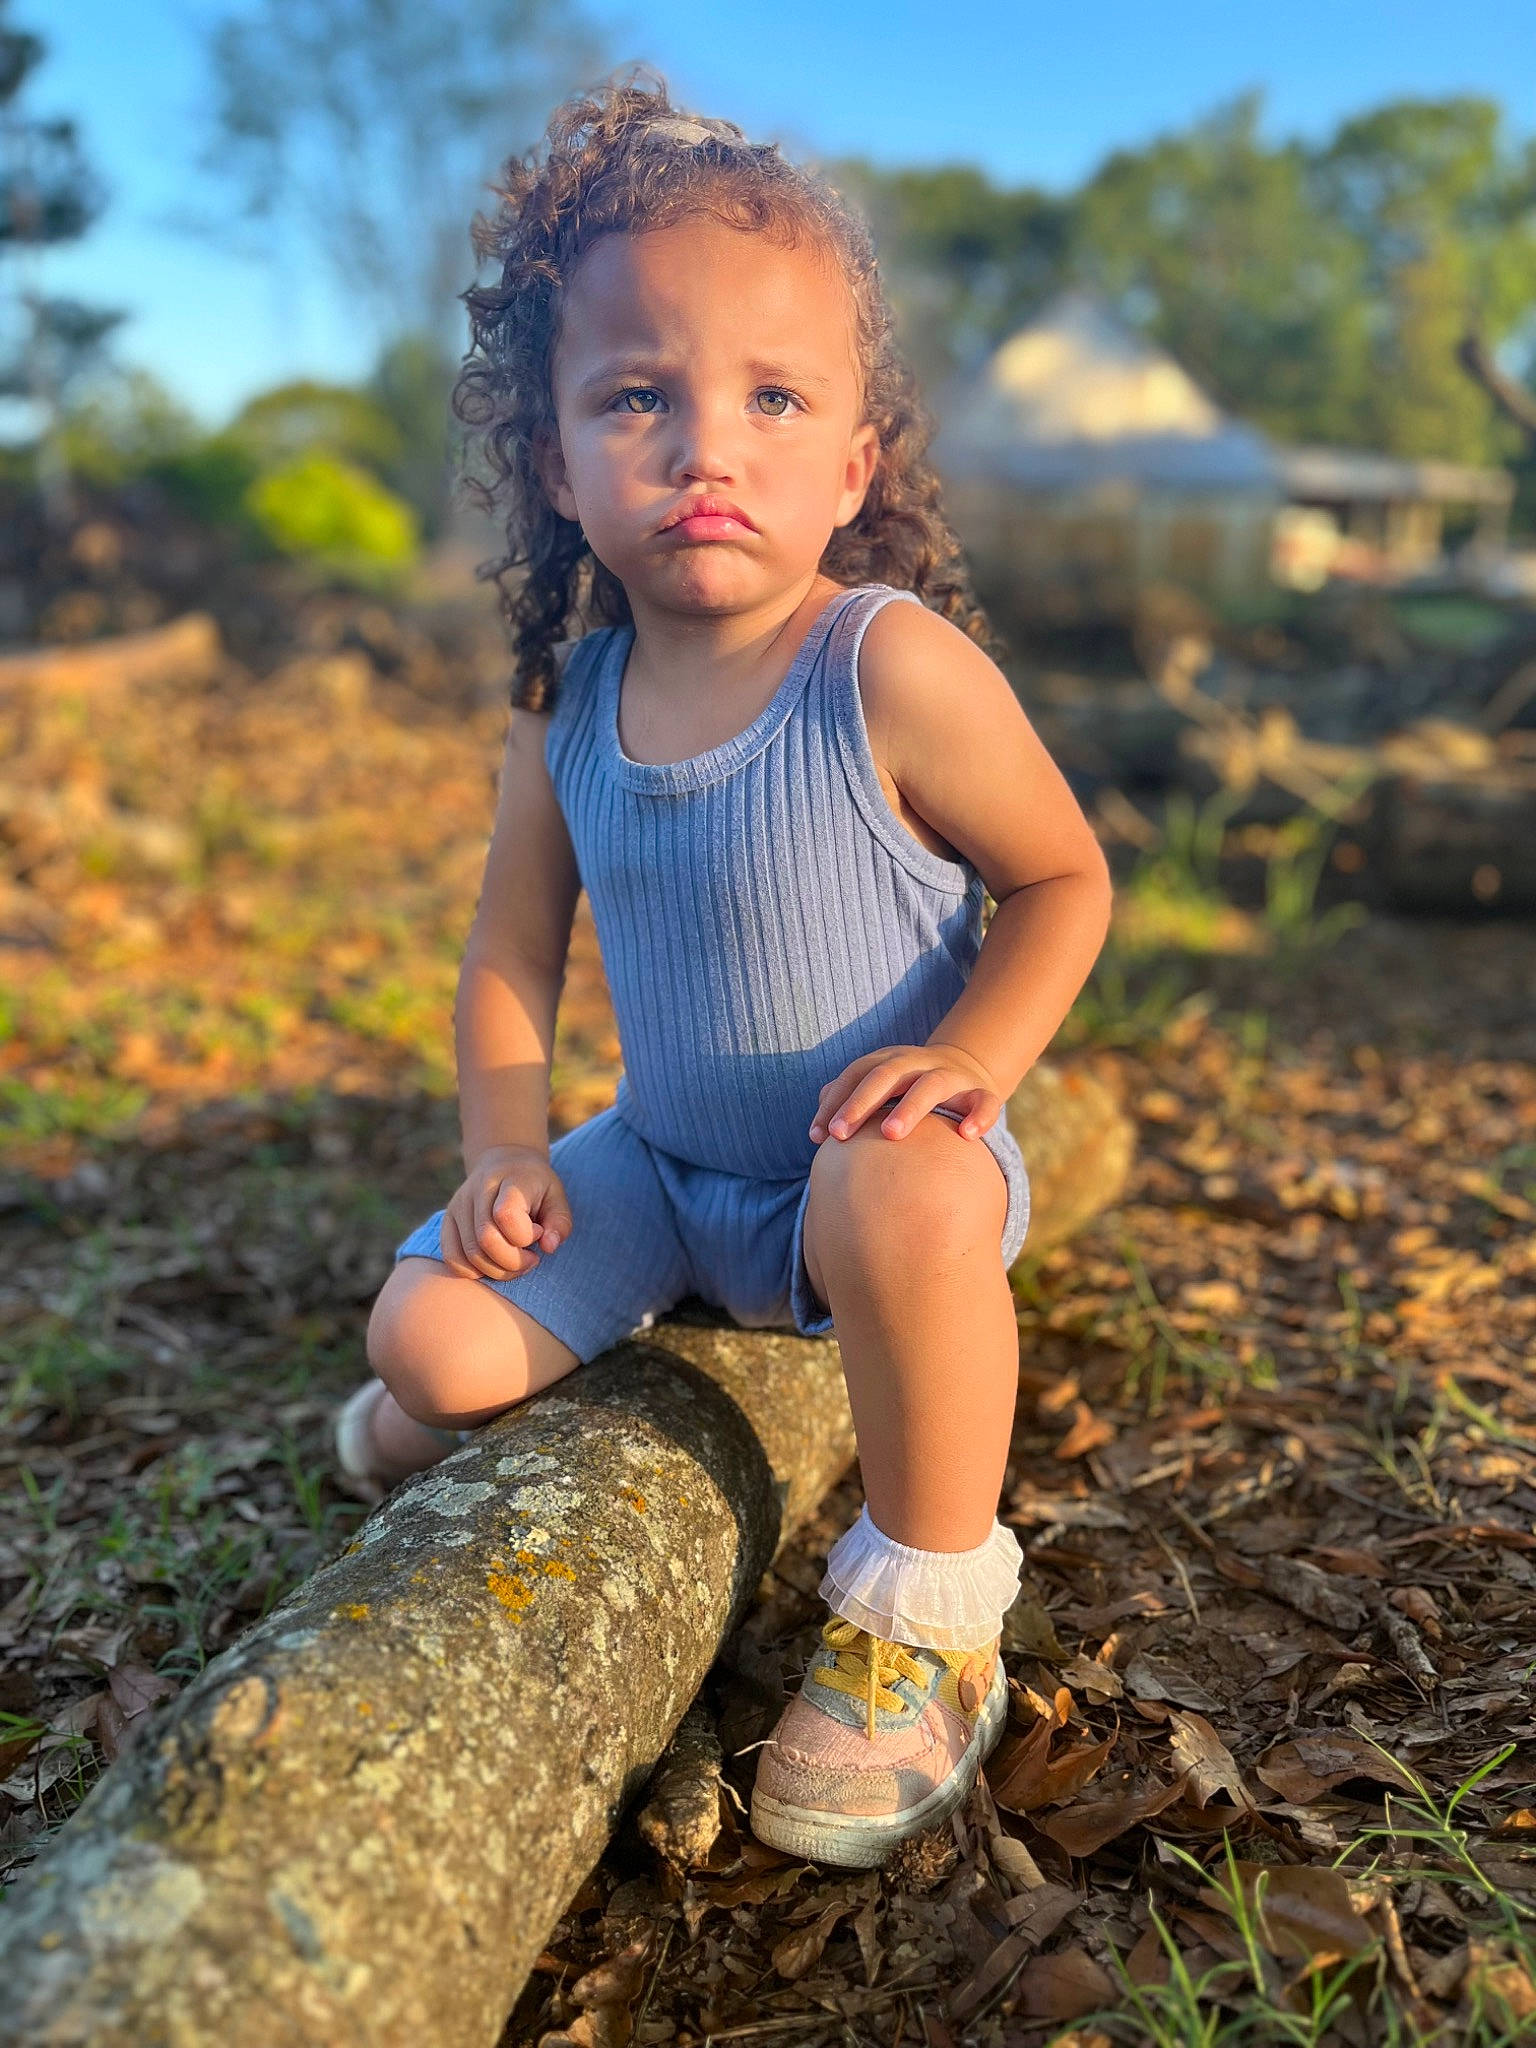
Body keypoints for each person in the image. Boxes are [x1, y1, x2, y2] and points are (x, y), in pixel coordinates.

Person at [333, 75, 1113, 1869]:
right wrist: (507, 1149)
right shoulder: (567, 711)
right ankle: (396, 1427)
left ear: (853, 460)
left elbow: (1065, 879)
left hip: (876, 1183)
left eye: (773, 399)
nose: (708, 449)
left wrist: (975, 1062)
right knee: (432, 1335)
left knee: (902, 1196)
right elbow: (508, 958)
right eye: (637, 397)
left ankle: (927, 1621)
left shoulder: (886, 669)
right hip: (672, 1175)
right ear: (551, 456)